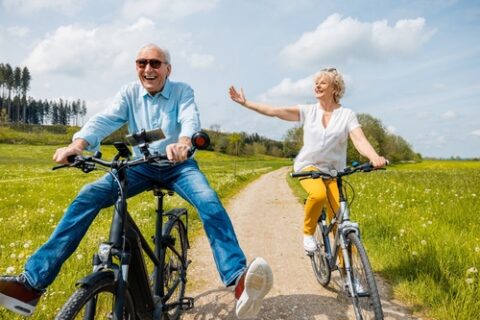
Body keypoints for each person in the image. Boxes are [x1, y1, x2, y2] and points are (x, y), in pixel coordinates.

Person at [0, 44, 273, 319]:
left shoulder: (182, 91)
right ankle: (32, 285)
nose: (148, 69)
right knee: (87, 195)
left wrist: (183, 142)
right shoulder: (129, 93)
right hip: (140, 166)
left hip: (179, 165)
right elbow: (105, 119)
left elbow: (190, 118)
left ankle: (237, 279)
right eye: (141, 63)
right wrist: (78, 145)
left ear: (168, 68)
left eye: (155, 63)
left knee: (209, 202)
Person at [229, 68, 387, 253]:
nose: (317, 85)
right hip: (308, 166)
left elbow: (359, 139)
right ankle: (308, 233)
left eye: (322, 82)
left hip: (334, 171)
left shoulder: (347, 115)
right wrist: (245, 103)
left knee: (340, 219)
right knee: (318, 195)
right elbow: (274, 111)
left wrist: (374, 157)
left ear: (335, 88)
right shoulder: (308, 111)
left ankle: (350, 276)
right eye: (315, 83)